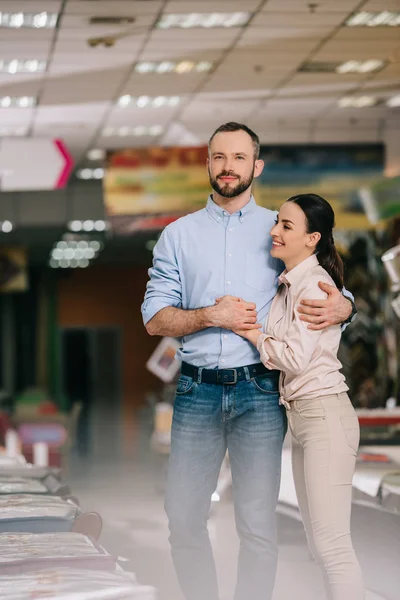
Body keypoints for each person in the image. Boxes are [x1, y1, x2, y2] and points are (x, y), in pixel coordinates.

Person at [141, 123, 355, 600]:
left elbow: (328, 285)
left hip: (261, 391)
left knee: (258, 523)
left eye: (239, 158)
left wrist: (346, 305)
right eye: (219, 157)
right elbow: (155, 319)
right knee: (183, 516)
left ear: (256, 166)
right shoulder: (178, 235)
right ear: (209, 164)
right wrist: (209, 316)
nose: (228, 167)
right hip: (196, 391)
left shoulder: (280, 228)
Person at [229, 193, 364, 600]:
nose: (275, 231)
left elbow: (293, 357)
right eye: (277, 223)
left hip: (325, 416)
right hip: (305, 420)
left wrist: (251, 332)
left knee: (333, 547)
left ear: (312, 238)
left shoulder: (313, 286)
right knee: (318, 545)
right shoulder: (289, 284)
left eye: (287, 226)